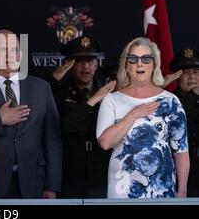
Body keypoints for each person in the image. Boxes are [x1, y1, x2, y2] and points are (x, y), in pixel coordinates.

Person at [96, 37, 189, 198]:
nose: (140, 63)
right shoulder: (112, 100)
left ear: (154, 65)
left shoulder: (171, 101)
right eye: (133, 59)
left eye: (146, 58)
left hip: (162, 188)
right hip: (122, 188)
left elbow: (181, 151)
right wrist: (134, 114)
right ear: (126, 65)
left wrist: (182, 190)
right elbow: (105, 142)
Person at [0, 30, 62, 198]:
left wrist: (52, 185)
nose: (10, 55)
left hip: (34, 182)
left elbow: (52, 140)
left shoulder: (41, 87)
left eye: (15, 50)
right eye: (3, 49)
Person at [49, 35, 115, 198]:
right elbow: (66, 125)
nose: (85, 67)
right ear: (70, 65)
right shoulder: (58, 92)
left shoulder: (110, 92)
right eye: (79, 61)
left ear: (97, 63)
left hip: (102, 174)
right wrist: (53, 80)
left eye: (90, 61)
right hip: (69, 173)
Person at [170, 47, 199, 197]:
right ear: (177, 76)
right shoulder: (168, 100)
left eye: (196, 72)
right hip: (177, 169)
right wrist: (193, 96)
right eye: (186, 73)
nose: (192, 77)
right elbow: (178, 121)